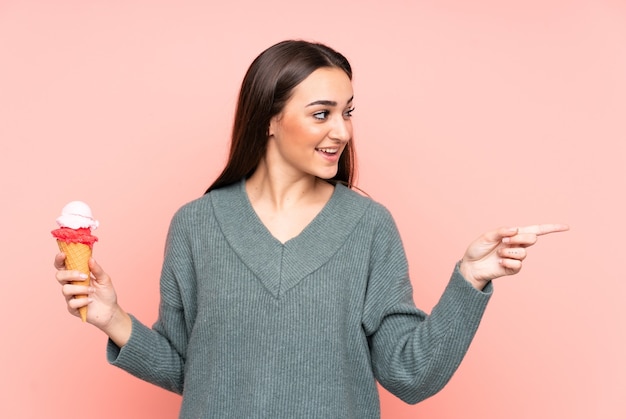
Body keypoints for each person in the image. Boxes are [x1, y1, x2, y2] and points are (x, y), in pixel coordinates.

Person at [54, 40, 569, 418]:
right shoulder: (196, 225)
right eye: (321, 113)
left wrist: (470, 279)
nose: (341, 131)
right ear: (269, 119)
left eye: (347, 113)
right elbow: (193, 371)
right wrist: (111, 316)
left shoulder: (368, 226)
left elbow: (410, 375)